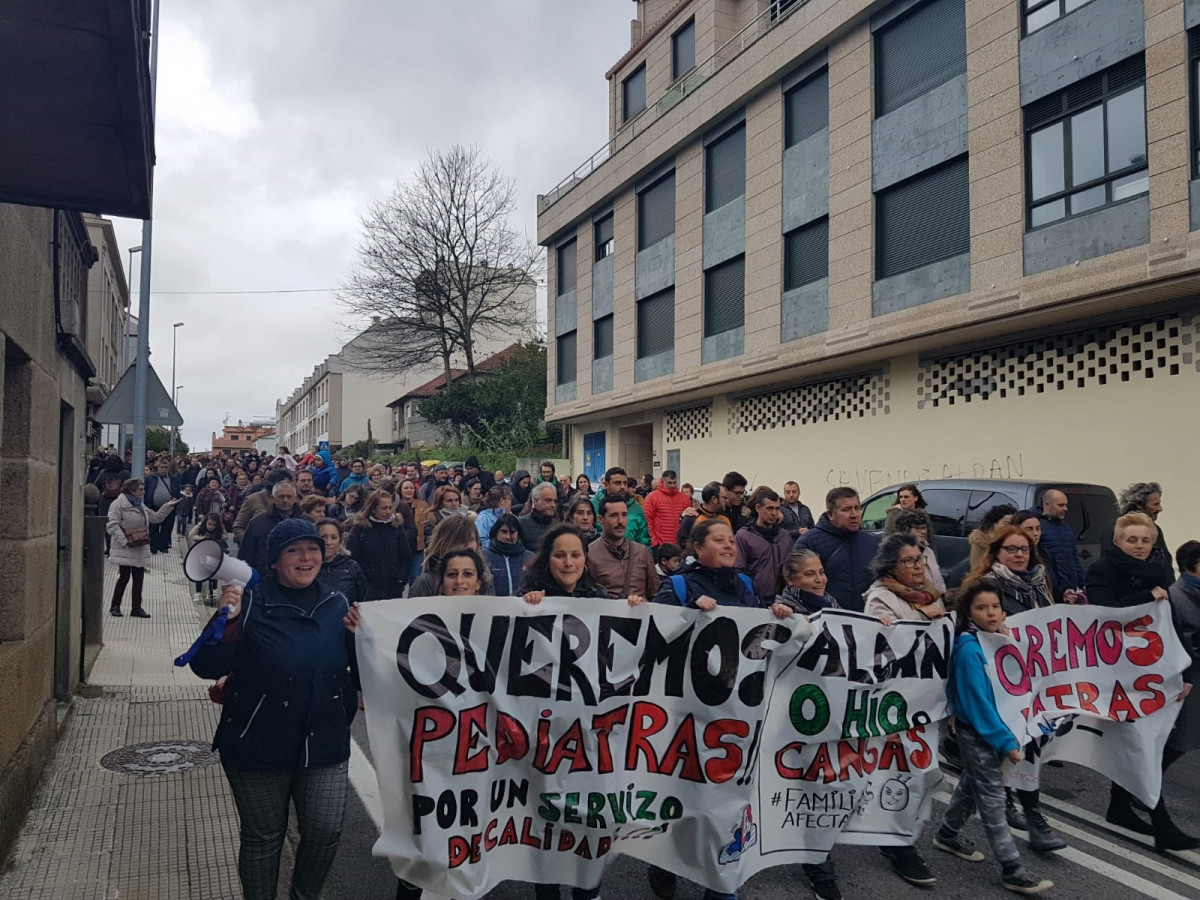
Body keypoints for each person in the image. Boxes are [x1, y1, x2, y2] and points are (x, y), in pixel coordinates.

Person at [190, 518, 357, 900]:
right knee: (264, 838)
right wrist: (224, 621)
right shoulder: (249, 601)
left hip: (325, 740)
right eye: (294, 550)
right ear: (275, 560)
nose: (306, 557)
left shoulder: (337, 603)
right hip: (258, 741)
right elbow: (206, 667)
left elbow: (362, 670)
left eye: (312, 548)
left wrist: (360, 636)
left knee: (326, 831)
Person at [932, 580, 1054, 895]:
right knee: (993, 800)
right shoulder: (971, 649)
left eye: (996, 607)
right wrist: (1006, 742)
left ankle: (946, 834)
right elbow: (978, 704)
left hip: (998, 731)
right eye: (982, 608)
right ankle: (1012, 869)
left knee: (973, 785)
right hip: (980, 734)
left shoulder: (998, 642)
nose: (991, 613)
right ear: (968, 612)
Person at [961, 526, 1061, 849]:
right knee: (1014, 748)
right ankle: (1024, 817)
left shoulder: (1040, 584)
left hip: (1033, 685)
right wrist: (996, 627)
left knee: (1028, 747)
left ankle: (1022, 811)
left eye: (1025, 549)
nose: (1020, 555)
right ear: (997, 553)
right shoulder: (984, 586)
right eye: (1012, 549)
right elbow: (963, 622)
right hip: (998, 688)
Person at [1159, 541, 1200, 848]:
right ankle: (1145, 784)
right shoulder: (1175, 597)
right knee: (1178, 742)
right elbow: (1174, 640)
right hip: (1188, 682)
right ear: (1191, 566)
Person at [792, 487, 880, 613]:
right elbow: (795, 586)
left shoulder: (873, 543)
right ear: (831, 514)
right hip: (825, 622)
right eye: (846, 509)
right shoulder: (809, 542)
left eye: (857, 508)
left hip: (866, 621)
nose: (854, 515)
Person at [106, 479, 179, 617]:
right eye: (140, 489)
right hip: (126, 547)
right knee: (124, 577)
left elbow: (155, 518)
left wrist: (167, 506)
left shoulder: (141, 505)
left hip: (139, 545)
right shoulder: (118, 504)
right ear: (131, 490)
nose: (143, 491)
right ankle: (115, 606)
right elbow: (112, 525)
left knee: (139, 578)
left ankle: (136, 607)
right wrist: (124, 541)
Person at [587, 495, 658, 601]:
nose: (621, 521)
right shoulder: (590, 554)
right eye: (614, 515)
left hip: (640, 615)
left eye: (624, 515)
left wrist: (644, 604)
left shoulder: (642, 552)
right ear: (600, 519)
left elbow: (655, 593)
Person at [346, 490, 413, 601]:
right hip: (369, 587)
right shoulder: (360, 528)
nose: (388, 511)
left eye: (390, 507)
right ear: (373, 508)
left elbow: (405, 555)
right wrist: (364, 581)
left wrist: (401, 579)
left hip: (393, 586)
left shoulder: (396, 526)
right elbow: (352, 557)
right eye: (383, 508)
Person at [864, 533, 947, 621]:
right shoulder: (880, 599)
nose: (918, 566)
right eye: (909, 560)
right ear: (890, 567)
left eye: (919, 559)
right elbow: (887, 634)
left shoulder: (929, 592)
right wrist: (921, 615)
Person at [408, 516, 493, 598]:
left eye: (471, 539)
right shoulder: (425, 583)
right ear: (444, 543)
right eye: (461, 540)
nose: (467, 545)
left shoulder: (485, 577)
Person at [518, 524, 608, 602]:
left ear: (584, 557)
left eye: (575, 555)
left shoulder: (599, 596)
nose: (568, 563)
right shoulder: (527, 596)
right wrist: (527, 607)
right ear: (547, 559)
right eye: (560, 556)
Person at [1106, 482, 1173, 581]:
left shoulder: (1112, 527)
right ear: (1139, 505)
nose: (1160, 509)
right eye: (1155, 504)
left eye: (1145, 541)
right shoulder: (1117, 529)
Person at [735, 488, 793, 602]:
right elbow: (737, 571)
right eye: (769, 508)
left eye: (777, 509)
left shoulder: (785, 537)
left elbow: (791, 569)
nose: (774, 513)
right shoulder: (744, 536)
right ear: (758, 508)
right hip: (754, 600)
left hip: (782, 601)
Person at [238, 480, 301, 575]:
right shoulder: (258, 522)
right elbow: (246, 554)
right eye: (281, 496)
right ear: (272, 498)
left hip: (298, 576)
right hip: (265, 578)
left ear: (295, 498)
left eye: (289, 496)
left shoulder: (306, 522)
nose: (285, 500)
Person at [1037, 489, 1085, 602]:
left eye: (1066, 505)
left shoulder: (1066, 528)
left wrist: (1083, 583)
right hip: (1051, 594)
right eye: (1061, 505)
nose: (1065, 509)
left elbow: (1073, 558)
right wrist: (1057, 590)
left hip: (1070, 593)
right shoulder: (1038, 528)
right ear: (1047, 505)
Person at [590, 467, 650, 546]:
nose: (622, 487)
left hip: (631, 556)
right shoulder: (593, 505)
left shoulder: (636, 509)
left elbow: (644, 540)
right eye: (617, 483)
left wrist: (640, 556)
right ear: (606, 485)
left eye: (625, 483)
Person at [316, 518, 368, 607]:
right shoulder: (306, 568)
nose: (328, 542)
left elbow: (363, 601)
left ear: (340, 541)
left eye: (333, 537)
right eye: (323, 537)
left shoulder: (352, 567)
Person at [893, 509, 945, 592]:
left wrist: (943, 595)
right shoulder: (897, 555)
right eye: (918, 528)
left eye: (924, 528)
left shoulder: (929, 551)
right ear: (905, 530)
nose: (923, 531)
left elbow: (939, 579)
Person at [774, 549, 838, 614]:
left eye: (821, 572)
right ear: (790, 579)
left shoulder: (832, 603)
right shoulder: (780, 612)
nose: (819, 580)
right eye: (810, 574)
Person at [484, 514, 535, 596]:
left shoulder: (530, 558)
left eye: (513, 532)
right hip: (492, 607)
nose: (508, 537)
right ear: (496, 532)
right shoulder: (484, 557)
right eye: (504, 532)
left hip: (522, 607)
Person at [642, 469, 692, 547]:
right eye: (669, 483)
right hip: (661, 545)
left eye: (674, 482)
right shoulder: (652, 497)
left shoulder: (684, 498)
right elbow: (647, 520)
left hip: (680, 545)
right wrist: (654, 542)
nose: (672, 485)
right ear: (662, 481)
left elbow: (689, 521)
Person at [187, 513, 227, 603]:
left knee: (213, 572)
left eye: (214, 525)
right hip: (201, 552)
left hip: (213, 553)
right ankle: (198, 592)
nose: (211, 527)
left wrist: (218, 534)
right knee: (200, 572)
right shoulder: (201, 527)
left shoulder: (219, 530)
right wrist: (203, 537)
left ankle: (213, 591)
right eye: (209, 524)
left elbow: (225, 536)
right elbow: (191, 535)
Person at [676, 481, 729, 549]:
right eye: (724, 498)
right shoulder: (691, 520)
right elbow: (682, 548)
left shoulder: (724, 520)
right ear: (714, 499)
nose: (727, 501)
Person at [144, 458, 181, 553]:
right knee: (153, 528)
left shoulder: (173, 478)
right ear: (158, 467)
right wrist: (147, 503)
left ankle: (163, 546)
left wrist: (175, 502)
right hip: (154, 507)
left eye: (165, 467)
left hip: (169, 508)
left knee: (167, 528)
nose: (164, 469)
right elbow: (146, 490)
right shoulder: (151, 478)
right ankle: (154, 546)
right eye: (162, 467)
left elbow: (176, 491)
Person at [883, 483, 935, 549]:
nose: (902, 500)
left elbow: (931, 538)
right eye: (900, 497)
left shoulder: (922, 513)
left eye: (906, 497)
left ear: (915, 498)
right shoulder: (893, 513)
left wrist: (933, 556)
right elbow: (886, 538)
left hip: (923, 551)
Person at [967, 504, 1017, 571]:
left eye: (1013, 525)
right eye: (1006, 524)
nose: (1009, 528)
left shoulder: (1015, 541)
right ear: (994, 523)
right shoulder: (981, 541)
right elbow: (977, 569)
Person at [518, 482, 560, 551]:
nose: (553, 505)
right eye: (548, 500)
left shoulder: (558, 526)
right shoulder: (520, 524)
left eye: (555, 501)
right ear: (535, 501)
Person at [475, 485, 513, 550]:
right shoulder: (484, 517)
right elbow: (482, 541)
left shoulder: (511, 516)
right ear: (502, 501)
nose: (511, 502)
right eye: (509, 499)